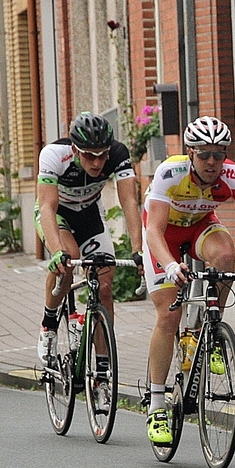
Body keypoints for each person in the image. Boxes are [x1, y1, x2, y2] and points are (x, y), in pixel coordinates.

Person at [142, 115, 235, 444]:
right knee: (168, 316)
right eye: (204, 154)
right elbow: (153, 230)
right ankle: (157, 405)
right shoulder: (171, 172)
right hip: (163, 233)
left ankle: (212, 330)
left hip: (200, 226)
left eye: (218, 155)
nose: (211, 162)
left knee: (225, 256)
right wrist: (170, 265)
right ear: (190, 153)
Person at [34, 112, 143, 369]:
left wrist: (138, 250)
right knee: (68, 259)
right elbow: (48, 206)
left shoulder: (117, 154)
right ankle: (49, 324)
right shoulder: (53, 155)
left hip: (90, 215)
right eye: (89, 155)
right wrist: (57, 251)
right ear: (74, 150)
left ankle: (103, 372)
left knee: (105, 285)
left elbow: (129, 201)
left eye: (102, 154)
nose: (97, 162)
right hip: (58, 214)